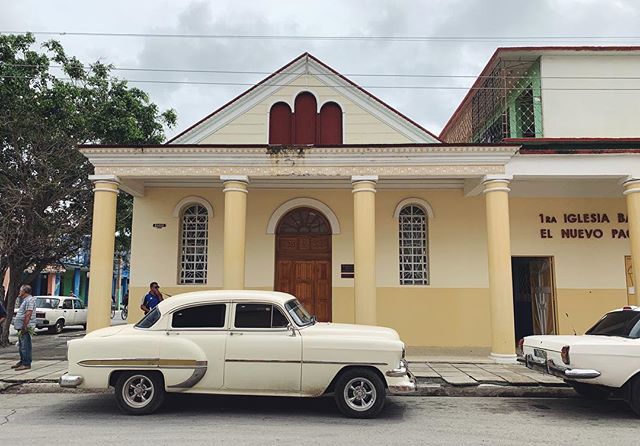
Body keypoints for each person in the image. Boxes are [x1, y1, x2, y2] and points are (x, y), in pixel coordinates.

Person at [12, 284, 37, 371]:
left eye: (20, 290)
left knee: (25, 345)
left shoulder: (29, 300)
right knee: (21, 345)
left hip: (25, 326)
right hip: (20, 326)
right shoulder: (25, 300)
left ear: (24, 291)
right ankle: (22, 361)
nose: (19, 292)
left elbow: (28, 313)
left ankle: (26, 363)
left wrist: (25, 326)